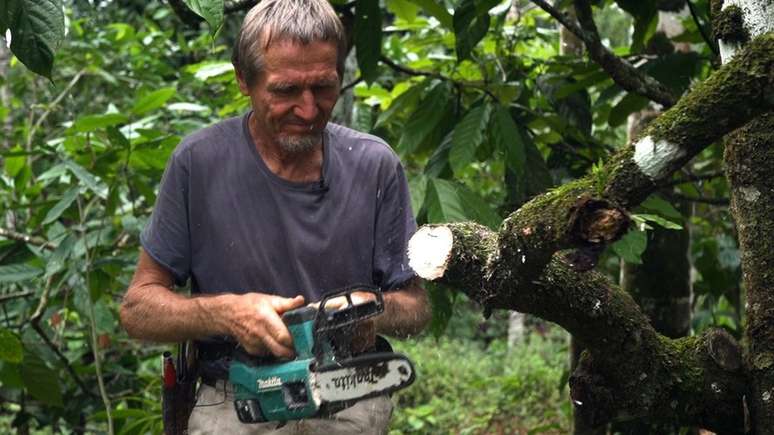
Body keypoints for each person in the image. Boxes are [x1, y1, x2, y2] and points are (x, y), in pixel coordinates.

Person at [119, 0, 431, 433]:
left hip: (346, 398)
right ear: (244, 79)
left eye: (323, 87)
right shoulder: (199, 163)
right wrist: (226, 313)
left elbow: (416, 305)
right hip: (233, 399)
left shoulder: (373, 164)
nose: (308, 110)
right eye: (286, 91)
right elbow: (137, 308)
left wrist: (368, 313)